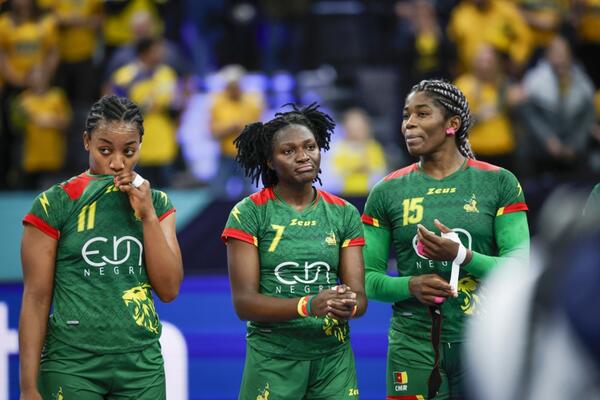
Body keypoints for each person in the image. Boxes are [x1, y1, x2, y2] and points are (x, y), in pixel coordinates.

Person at [362, 79, 530, 399]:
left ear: (452, 124)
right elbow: (367, 279)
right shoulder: (386, 192)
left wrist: (462, 256)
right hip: (413, 344)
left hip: (485, 340)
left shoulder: (499, 182)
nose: (409, 123)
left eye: (422, 114)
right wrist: (410, 285)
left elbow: (519, 268)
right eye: (406, 115)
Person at [18, 95, 183, 399]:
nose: (117, 163)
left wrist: (147, 215)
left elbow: (170, 290)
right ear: (86, 141)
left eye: (129, 151)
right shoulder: (55, 203)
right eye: (104, 150)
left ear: (140, 145)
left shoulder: (158, 203)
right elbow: (36, 299)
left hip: (142, 366)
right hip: (72, 364)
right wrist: (28, 387)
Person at [221, 103, 367, 399]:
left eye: (310, 147)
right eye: (288, 151)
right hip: (273, 360)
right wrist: (308, 305)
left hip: (333, 361)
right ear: (270, 161)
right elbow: (244, 304)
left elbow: (360, 299)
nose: (303, 156)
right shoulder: (249, 213)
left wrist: (347, 304)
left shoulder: (344, 213)